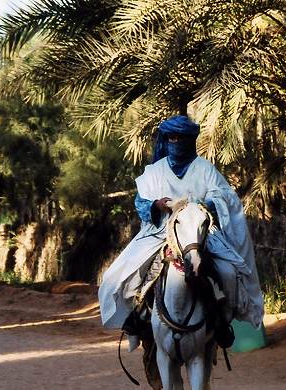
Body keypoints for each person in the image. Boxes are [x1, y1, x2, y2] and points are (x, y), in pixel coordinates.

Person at [98, 115, 263, 351]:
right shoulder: (154, 171)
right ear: (167, 139)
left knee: (229, 272)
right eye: (172, 137)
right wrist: (156, 205)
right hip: (161, 233)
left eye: (181, 138)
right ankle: (137, 322)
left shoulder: (205, 169)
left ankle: (223, 320)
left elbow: (226, 199)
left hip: (201, 234)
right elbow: (140, 203)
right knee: (119, 277)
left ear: (190, 140)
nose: (176, 142)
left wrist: (200, 203)